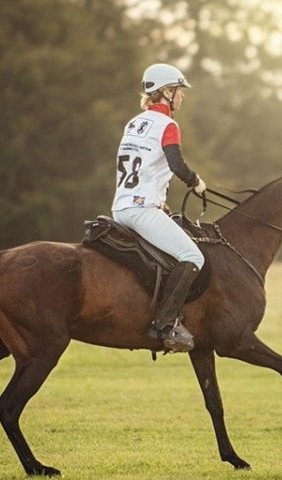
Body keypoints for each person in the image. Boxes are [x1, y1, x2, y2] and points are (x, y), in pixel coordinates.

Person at [111, 63, 206, 353]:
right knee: (192, 255)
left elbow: (142, 167)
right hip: (141, 210)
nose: (182, 96)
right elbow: (176, 164)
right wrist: (195, 182)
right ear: (166, 91)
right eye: (179, 90)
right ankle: (165, 324)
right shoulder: (168, 125)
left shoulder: (134, 123)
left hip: (121, 207)